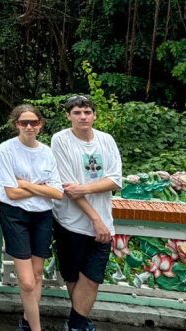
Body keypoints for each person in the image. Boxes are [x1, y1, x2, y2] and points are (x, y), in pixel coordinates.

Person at [51, 95, 123, 331]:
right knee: (73, 277)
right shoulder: (60, 140)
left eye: (87, 112)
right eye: (77, 113)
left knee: (92, 278)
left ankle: (75, 324)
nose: (83, 117)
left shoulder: (106, 140)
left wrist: (84, 188)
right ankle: (78, 323)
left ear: (94, 115)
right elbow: (67, 187)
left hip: (103, 222)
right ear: (68, 116)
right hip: (70, 221)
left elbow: (114, 180)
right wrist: (95, 219)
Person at [0, 104, 63, 331]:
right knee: (26, 281)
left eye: (33, 122)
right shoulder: (6, 149)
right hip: (15, 216)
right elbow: (11, 193)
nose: (28, 126)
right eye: (23, 122)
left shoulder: (46, 152)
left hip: (42, 215)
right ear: (16, 124)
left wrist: (24, 184)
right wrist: (38, 187)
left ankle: (27, 321)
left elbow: (58, 192)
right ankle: (36, 328)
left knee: (36, 274)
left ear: (40, 125)